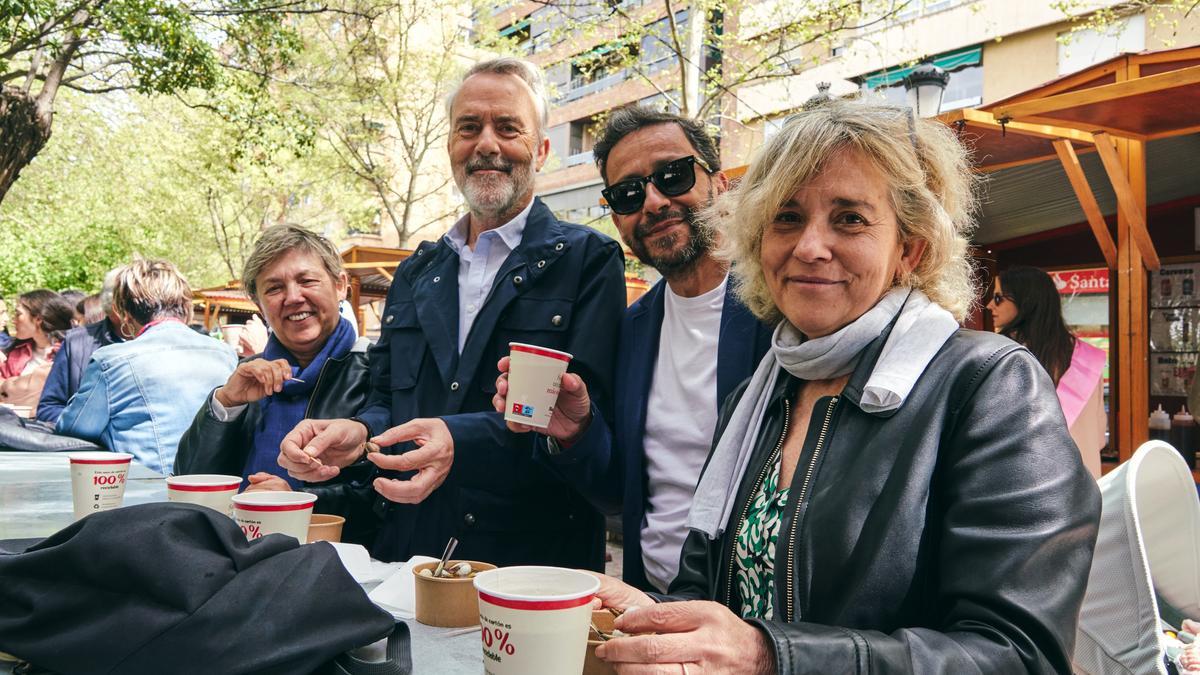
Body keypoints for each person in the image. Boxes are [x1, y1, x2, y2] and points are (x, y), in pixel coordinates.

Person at [527, 101, 1101, 673]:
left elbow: (1022, 656)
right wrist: (654, 614)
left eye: (849, 218)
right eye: (787, 218)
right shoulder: (759, 399)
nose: (809, 246)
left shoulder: (990, 387)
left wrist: (770, 656)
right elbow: (717, 597)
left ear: (911, 247)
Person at [277, 57, 626, 569]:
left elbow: (587, 429)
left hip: (528, 572)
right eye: (469, 128)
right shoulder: (417, 272)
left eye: (508, 128)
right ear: (450, 147)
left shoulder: (589, 261)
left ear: (542, 150)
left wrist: (458, 440)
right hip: (406, 559)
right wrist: (360, 436)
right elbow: (384, 397)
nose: (487, 143)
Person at [496, 106, 772, 592]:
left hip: (751, 620)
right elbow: (618, 496)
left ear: (720, 183)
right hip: (650, 600)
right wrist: (575, 432)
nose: (653, 201)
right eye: (627, 194)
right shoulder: (632, 330)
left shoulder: (778, 310)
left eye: (673, 175)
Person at [176, 226, 372, 512]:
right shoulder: (248, 374)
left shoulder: (376, 370)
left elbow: (385, 493)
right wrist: (226, 404)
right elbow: (189, 480)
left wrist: (294, 500)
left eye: (306, 280)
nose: (293, 297)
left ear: (340, 285)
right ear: (259, 304)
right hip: (234, 540)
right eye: (274, 288)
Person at [56, 259, 237, 474]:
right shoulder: (226, 353)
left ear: (124, 314)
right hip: (219, 490)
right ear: (186, 307)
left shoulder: (111, 361)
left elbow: (73, 427)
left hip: (150, 494)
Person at [987, 265, 1106, 478]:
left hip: (1029, 488)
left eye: (998, 298)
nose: (989, 305)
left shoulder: (1001, 357)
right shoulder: (1089, 360)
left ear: (1025, 302)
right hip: (1084, 490)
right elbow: (1099, 438)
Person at [36, 271, 124, 424]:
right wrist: (95, 426)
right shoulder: (76, 342)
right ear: (115, 306)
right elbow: (48, 408)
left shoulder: (163, 344)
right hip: (90, 445)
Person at [0, 290, 76, 411]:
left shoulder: (69, 353)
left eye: (18, 314)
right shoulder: (16, 352)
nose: (12, 320)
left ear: (38, 319)